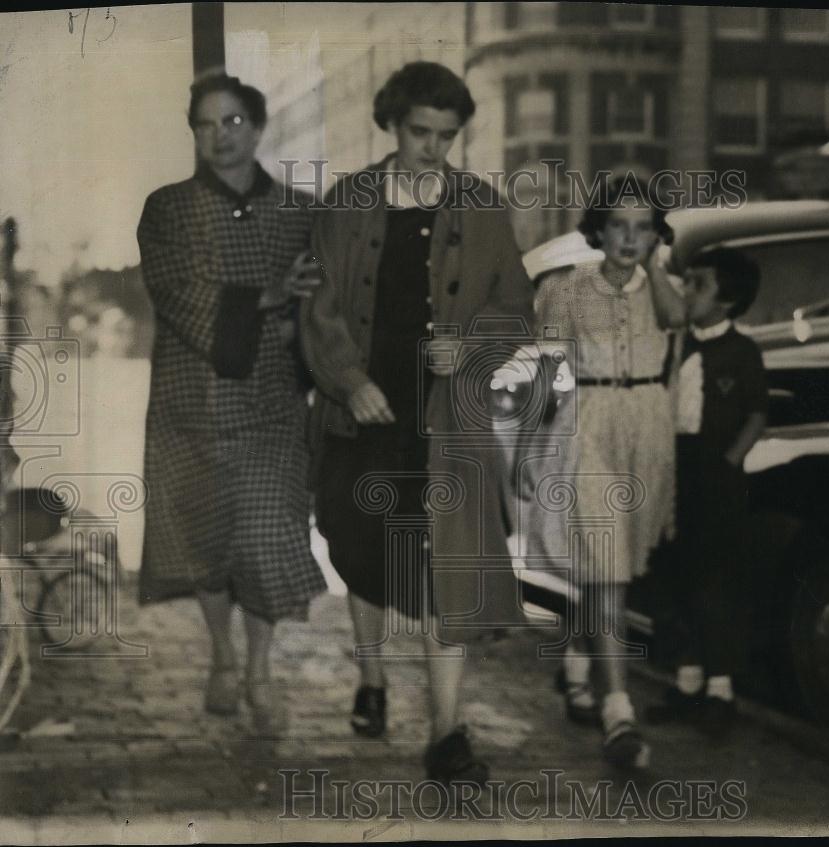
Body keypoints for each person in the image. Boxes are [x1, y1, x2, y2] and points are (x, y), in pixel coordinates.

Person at [300, 61, 535, 784]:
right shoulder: (347, 202)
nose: (432, 148)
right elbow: (320, 307)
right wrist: (350, 379)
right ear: (392, 125)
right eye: (419, 132)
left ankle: (447, 732)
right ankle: (371, 675)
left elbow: (516, 309)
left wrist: (469, 344)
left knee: (444, 569)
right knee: (359, 543)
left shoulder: (482, 206)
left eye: (446, 135)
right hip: (363, 411)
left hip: (443, 418)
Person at [137, 73, 328, 736]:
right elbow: (178, 293)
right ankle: (220, 655)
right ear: (193, 132)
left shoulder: (302, 211)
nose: (220, 136)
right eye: (205, 124)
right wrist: (271, 297)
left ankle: (258, 670)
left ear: (257, 126)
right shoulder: (167, 209)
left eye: (233, 121)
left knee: (267, 539)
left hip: (274, 405)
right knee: (205, 543)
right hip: (191, 405)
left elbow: (323, 309)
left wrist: (293, 319)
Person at [520, 176, 685, 768]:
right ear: (599, 228)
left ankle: (577, 661)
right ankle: (620, 712)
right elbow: (548, 374)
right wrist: (529, 454)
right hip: (585, 423)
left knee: (613, 568)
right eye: (620, 225)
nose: (630, 238)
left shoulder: (666, 288)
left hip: (645, 426)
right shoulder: (566, 291)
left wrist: (660, 265)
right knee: (607, 567)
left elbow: (674, 317)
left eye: (644, 227)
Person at [645, 247, 768, 738]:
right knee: (675, 575)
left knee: (713, 579)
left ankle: (720, 689)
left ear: (728, 299)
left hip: (715, 476)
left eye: (698, 284)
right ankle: (688, 681)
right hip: (677, 469)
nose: (686, 292)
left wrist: (729, 461)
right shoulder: (677, 345)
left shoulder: (742, 351)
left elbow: (757, 413)